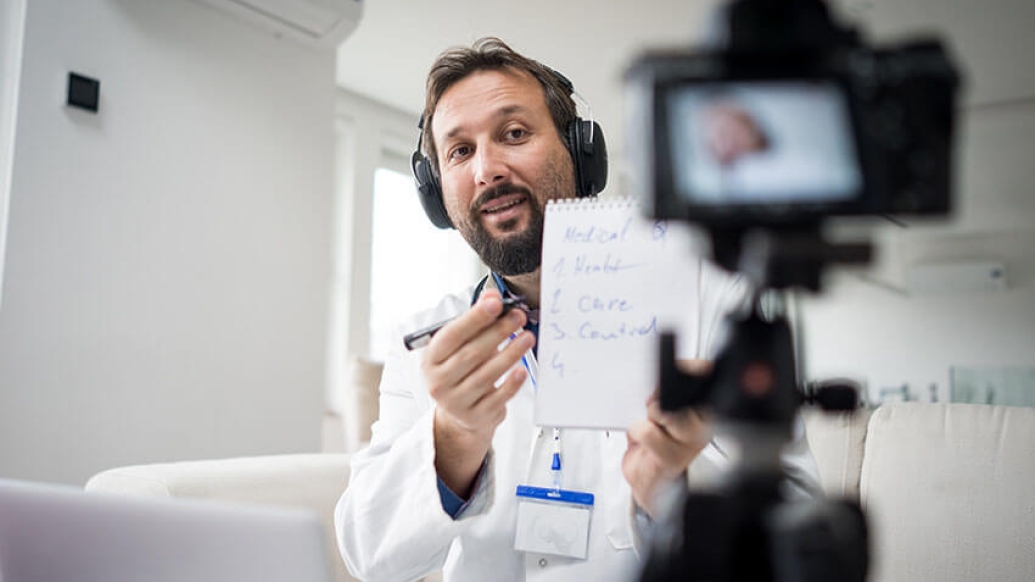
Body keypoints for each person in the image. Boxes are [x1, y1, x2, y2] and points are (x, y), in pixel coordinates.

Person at [335, 37, 821, 582]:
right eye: (460, 151)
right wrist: (452, 438)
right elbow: (369, 554)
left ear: (581, 152)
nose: (487, 169)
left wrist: (673, 487)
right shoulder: (426, 344)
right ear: (436, 194)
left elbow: (795, 535)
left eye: (514, 134)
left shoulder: (716, 301)